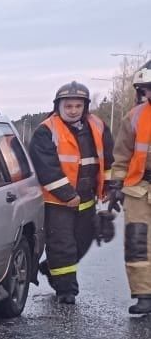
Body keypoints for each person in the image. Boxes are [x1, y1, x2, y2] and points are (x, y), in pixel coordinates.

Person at [28, 81, 114, 305]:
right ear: (58, 106)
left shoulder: (98, 126)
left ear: (85, 106)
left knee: (82, 243)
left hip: (87, 200)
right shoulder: (46, 131)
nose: (73, 110)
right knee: (62, 245)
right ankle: (66, 290)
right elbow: (46, 168)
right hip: (57, 202)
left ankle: (50, 268)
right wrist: (67, 194)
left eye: (78, 106)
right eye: (69, 106)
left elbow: (108, 160)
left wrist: (111, 187)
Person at [108, 60, 151, 315]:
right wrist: (116, 186)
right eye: (148, 88)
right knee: (137, 242)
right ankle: (144, 294)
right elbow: (122, 155)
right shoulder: (134, 116)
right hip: (139, 189)